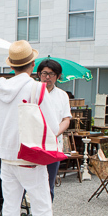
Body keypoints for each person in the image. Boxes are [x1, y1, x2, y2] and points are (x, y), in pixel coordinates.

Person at [0, 40, 65, 216]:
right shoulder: (37, 89)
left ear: (11, 65)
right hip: (30, 158)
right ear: (33, 65)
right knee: (43, 214)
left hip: (7, 157)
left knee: (10, 212)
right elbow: (53, 127)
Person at [37, 58, 71, 201]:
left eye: (52, 74)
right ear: (39, 74)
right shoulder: (32, 91)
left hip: (54, 144)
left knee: (49, 183)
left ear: (57, 76)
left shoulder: (62, 95)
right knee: (29, 182)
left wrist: (54, 133)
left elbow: (66, 119)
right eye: (44, 73)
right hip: (34, 142)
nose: (47, 77)